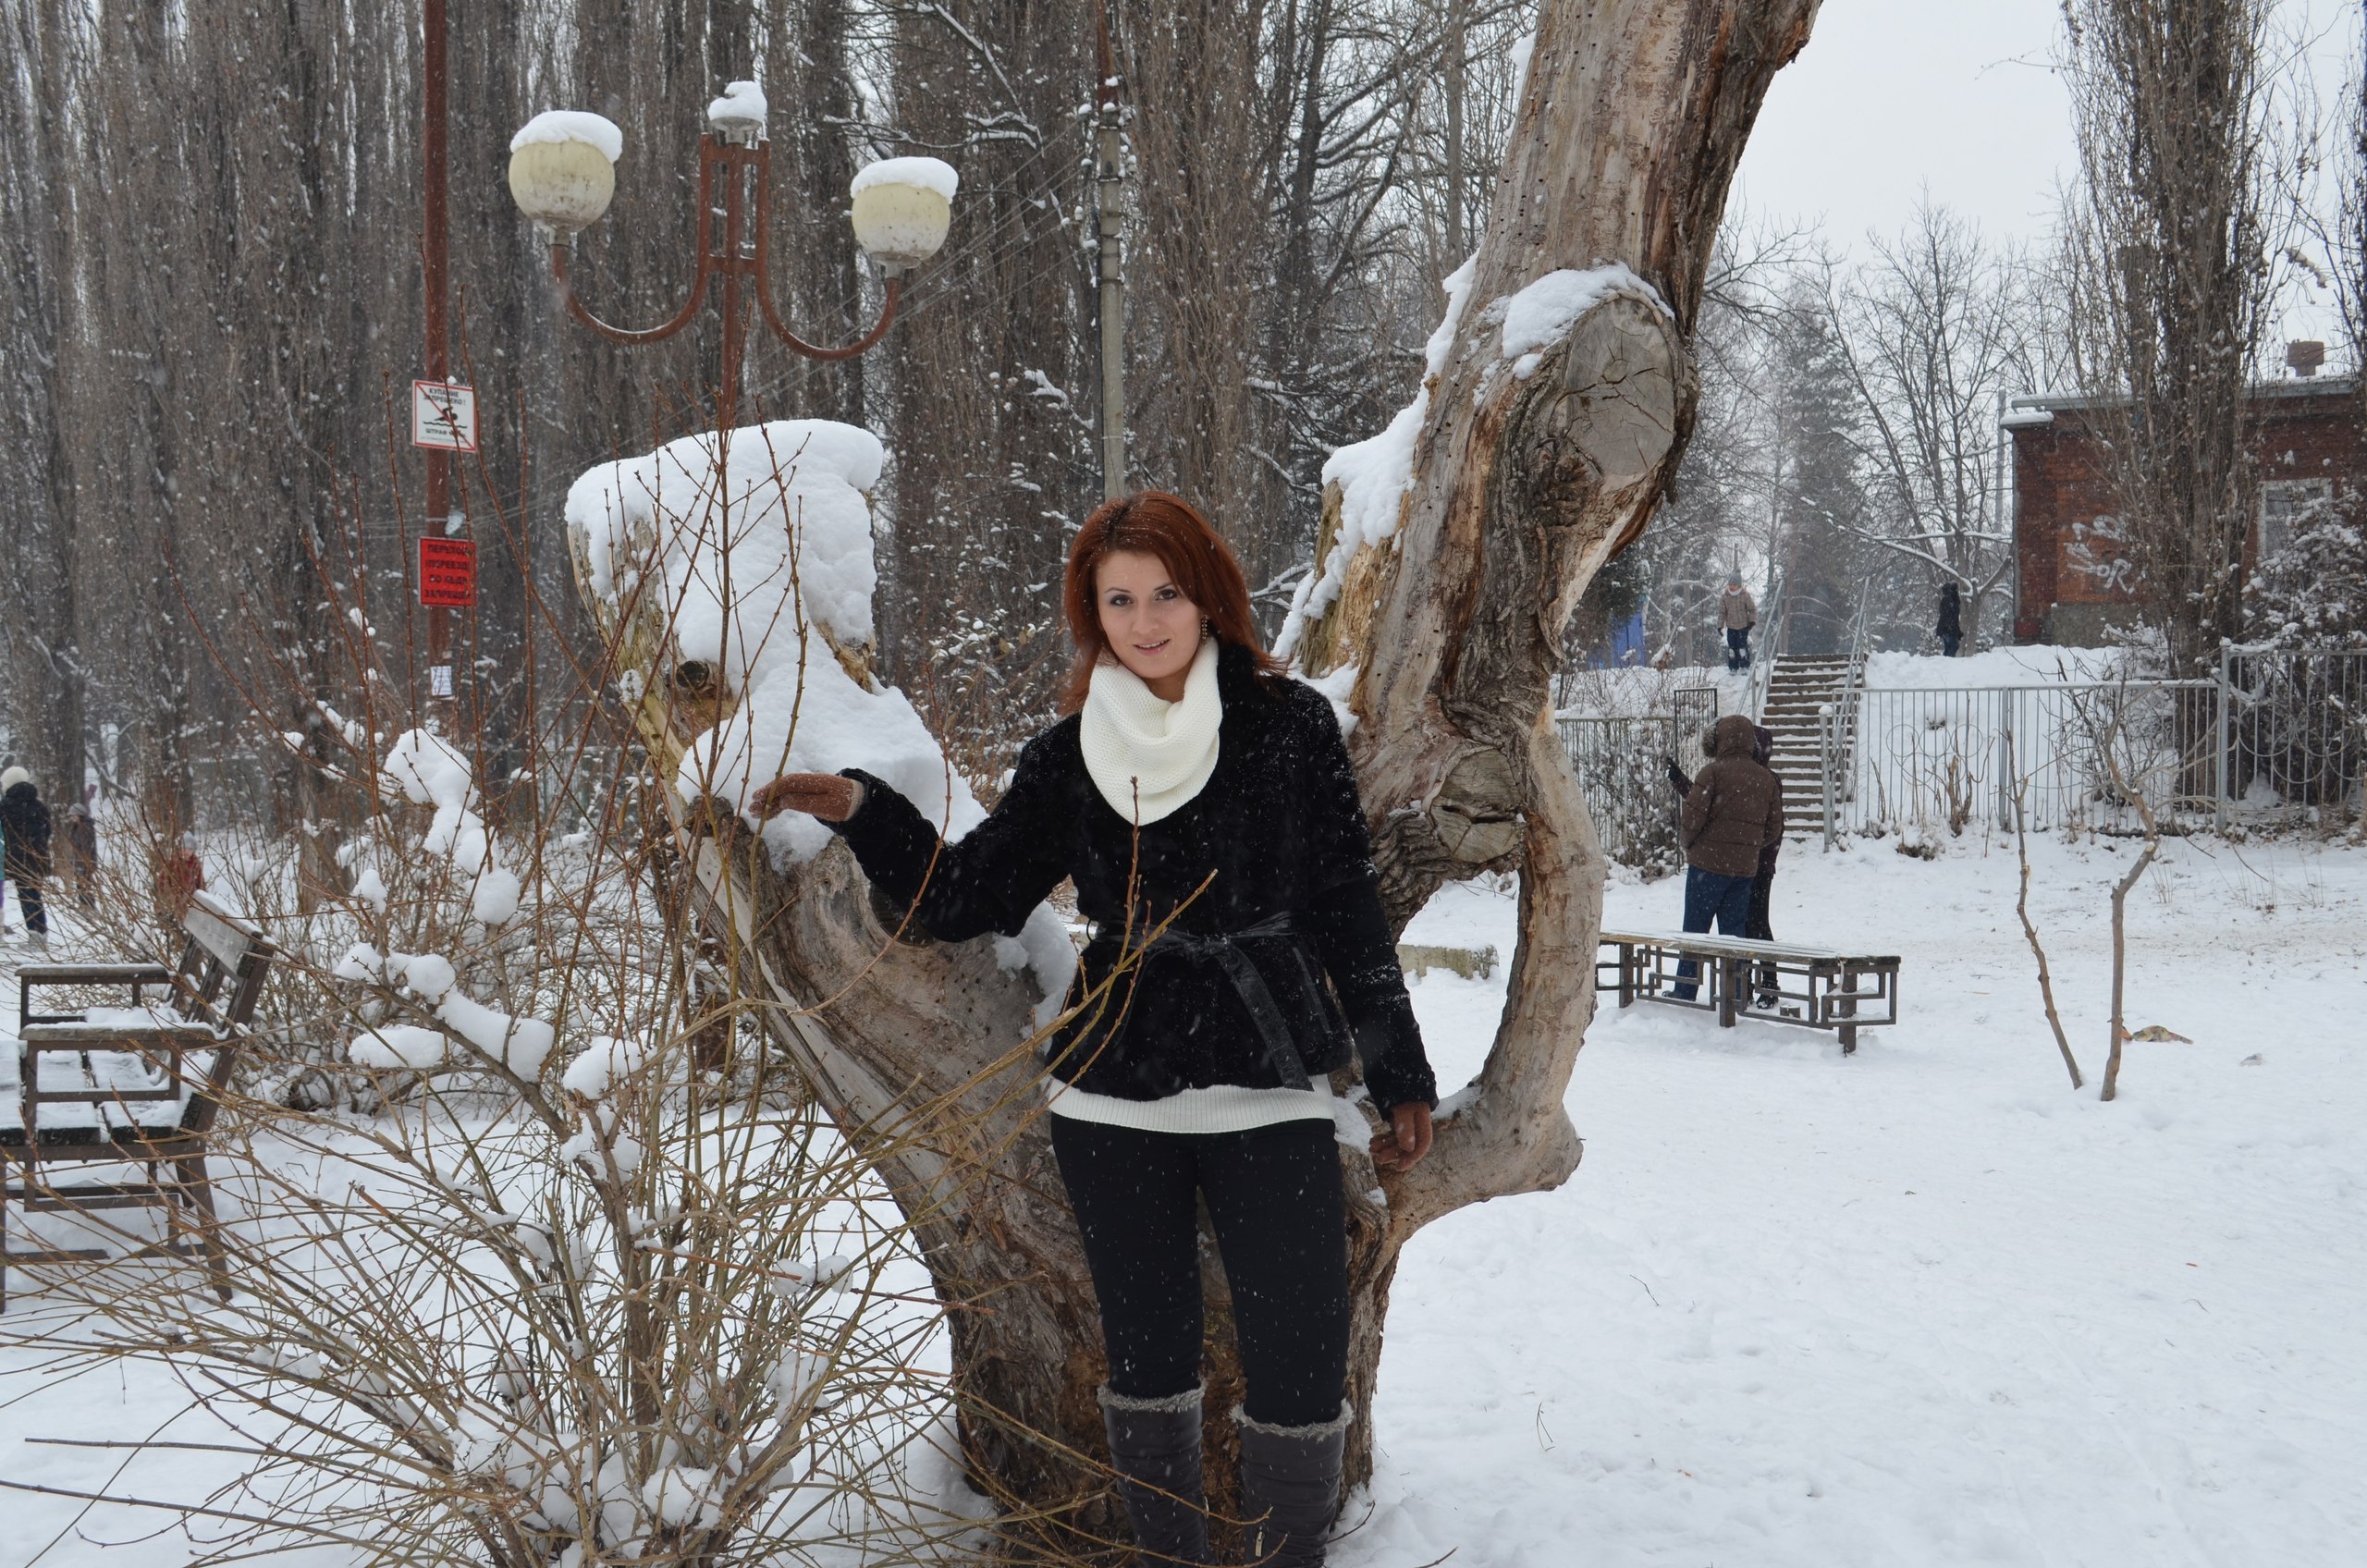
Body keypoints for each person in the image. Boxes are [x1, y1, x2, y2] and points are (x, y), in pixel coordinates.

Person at [750, 490, 1438, 1568]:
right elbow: (965, 896)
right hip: (1112, 1091)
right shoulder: (1068, 753)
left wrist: (1399, 1072)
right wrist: (865, 810)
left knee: (1302, 1366)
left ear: (1208, 597)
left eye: (1165, 593)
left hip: (1270, 1077)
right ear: (1092, 612)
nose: (1145, 620)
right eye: (1119, 599)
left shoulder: (1289, 727)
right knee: (1148, 1366)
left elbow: (1345, 904)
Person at [1667, 722, 1783, 1007]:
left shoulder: (1713, 772)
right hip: (1743, 871)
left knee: (1695, 931)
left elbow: (1692, 818)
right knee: (1734, 936)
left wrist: (1690, 844)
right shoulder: (1766, 779)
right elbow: (1773, 828)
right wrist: (1748, 847)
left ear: (1721, 740)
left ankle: (1686, 990)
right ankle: (1737, 993)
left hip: (1707, 867)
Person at [1, 766, 54, 951]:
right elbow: (48, 831)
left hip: (18, 858)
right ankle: (41, 933)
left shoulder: (5, 805)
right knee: (35, 895)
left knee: (26, 897)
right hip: (38, 857)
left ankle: (35, 937)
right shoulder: (39, 805)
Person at [60, 792, 98, 908]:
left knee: (85, 885)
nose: (71, 818)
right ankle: (84, 905)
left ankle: (88, 906)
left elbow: (86, 847)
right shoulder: (77, 827)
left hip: (85, 863)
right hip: (80, 862)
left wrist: (85, 863)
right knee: (81, 886)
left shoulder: (85, 828)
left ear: (80, 815)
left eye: (73, 815)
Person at [1720, 574, 1758, 671]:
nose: (1732, 587)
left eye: (1734, 585)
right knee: (1732, 648)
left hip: (1743, 626)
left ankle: (1744, 666)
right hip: (1731, 626)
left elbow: (1752, 609)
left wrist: (1752, 621)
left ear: (1739, 585)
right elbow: (1722, 612)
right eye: (1730, 585)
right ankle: (1733, 667)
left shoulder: (1745, 595)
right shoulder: (1725, 597)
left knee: (1742, 647)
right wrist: (1720, 625)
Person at [1936, 581, 1964, 658]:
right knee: (1953, 646)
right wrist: (1952, 628)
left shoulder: (1948, 600)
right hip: (1949, 629)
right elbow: (1950, 617)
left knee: (1949, 647)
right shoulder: (1950, 600)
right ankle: (1948, 661)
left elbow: (1949, 616)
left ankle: (1946, 660)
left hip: (1946, 628)